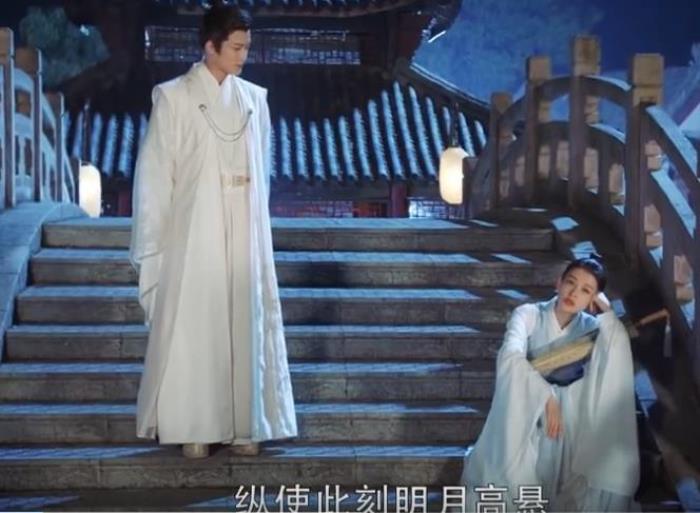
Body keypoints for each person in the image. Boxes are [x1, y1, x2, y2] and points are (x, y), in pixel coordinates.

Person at [129, 2, 297, 459]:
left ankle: (245, 424)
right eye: (236, 47)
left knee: (245, 321)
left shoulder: (254, 101)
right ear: (210, 46)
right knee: (196, 323)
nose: (244, 55)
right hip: (194, 231)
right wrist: (155, 240)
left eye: (247, 47)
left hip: (243, 229)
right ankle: (194, 426)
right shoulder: (173, 98)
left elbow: (262, 174)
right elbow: (155, 178)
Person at [461, 255, 640, 511]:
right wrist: (545, 395)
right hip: (524, 409)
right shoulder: (529, 314)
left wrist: (607, 312)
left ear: (592, 299)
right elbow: (510, 356)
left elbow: (615, 352)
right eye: (570, 282)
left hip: (569, 420)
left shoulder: (591, 327)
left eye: (586, 291)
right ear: (558, 283)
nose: (574, 293)